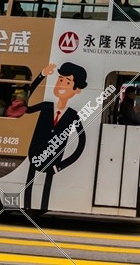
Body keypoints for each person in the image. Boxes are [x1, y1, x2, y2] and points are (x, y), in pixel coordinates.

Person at [23, 62, 89, 212]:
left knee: (47, 188)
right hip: (35, 154)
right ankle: (27, 207)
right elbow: (25, 107)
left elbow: (81, 143)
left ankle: (42, 208)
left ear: (76, 90)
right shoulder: (45, 106)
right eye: (60, 80)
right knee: (29, 185)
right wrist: (42, 76)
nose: (61, 85)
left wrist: (60, 166)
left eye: (67, 82)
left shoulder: (73, 115)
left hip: (54, 160)